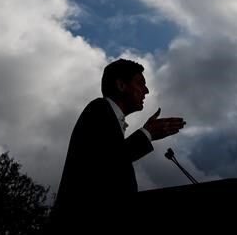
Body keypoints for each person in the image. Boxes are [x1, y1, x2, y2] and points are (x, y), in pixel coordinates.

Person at [50, 59, 186, 233]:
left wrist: (148, 134)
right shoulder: (99, 109)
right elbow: (110, 161)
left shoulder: (108, 116)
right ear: (121, 85)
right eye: (140, 83)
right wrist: (147, 133)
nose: (146, 90)